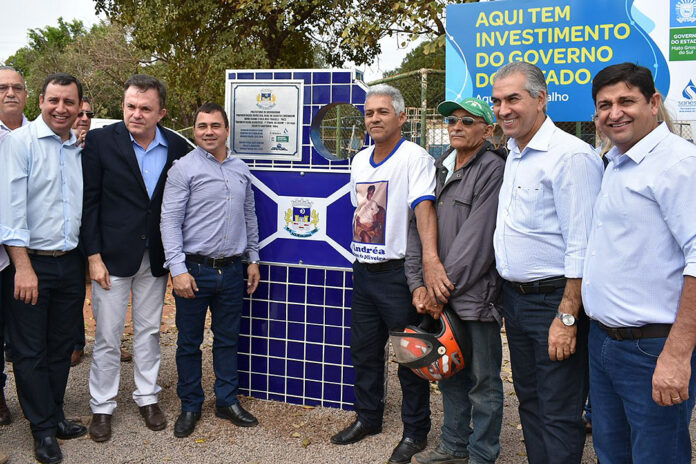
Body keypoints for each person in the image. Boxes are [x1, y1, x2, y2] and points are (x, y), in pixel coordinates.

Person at [331, 84, 452, 464]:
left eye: (383, 112)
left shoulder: (415, 158)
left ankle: (415, 431)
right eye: (369, 113)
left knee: (410, 357)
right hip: (364, 272)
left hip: (399, 275)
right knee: (364, 352)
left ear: (401, 117)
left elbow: (424, 209)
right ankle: (368, 418)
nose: (375, 119)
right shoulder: (360, 159)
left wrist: (430, 261)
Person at [583, 62, 696, 464]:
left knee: (656, 456)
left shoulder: (678, 164)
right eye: (604, 104)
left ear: (653, 102)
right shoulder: (617, 161)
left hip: (653, 347)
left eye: (626, 101)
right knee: (611, 454)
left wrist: (677, 354)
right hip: (606, 343)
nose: (615, 113)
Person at [491, 61, 603, 464]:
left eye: (513, 99)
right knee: (531, 404)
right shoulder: (515, 153)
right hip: (517, 303)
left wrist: (568, 317)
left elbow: (584, 245)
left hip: (555, 303)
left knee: (558, 412)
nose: (503, 109)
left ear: (541, 99)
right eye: (497, 100)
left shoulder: (571, 156)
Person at [80, 74, 190, 442]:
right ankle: (102, 406)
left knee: (149, 331)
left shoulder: (177, 147)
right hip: (110, 257)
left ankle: (147, 397)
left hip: (155, 256)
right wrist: (93, 256)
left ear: (161, 112)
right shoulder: (99, 141)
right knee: (108, 336)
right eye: (130, 106)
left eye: (145, 108)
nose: (136, 114)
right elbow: (89, 203)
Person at [406, 97, 506, 464]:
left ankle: (482, 453)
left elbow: (477, 242)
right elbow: (416, 228)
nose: (457, 126)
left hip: (474, 296)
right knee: (449, 373)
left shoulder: (492, 169)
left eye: (468, 120)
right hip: (440, 294)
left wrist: (438, 290)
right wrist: (418, 282)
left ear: (487, 129)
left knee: (484, 381)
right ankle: (453, 446)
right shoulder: (438, 169)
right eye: (452, 121)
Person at [0, 73, 87, 464]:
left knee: (60, 346)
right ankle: (42, 431)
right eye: (54, 100)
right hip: (30, 264)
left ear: (80, 106)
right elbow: (10, 209)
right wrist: (22, 267)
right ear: (40, 100)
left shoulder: (78, 148)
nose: (61, 108)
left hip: (70, 264)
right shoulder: (20, 143)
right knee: (30, 351)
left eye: (69, 102)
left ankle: (54, 415)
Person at [161, 102, 260, 437]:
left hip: (232, 270)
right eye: (202, 126)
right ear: (194, 130)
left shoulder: (240, 168)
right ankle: (190, 405)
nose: (208, 132)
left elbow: (249, 216)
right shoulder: (183, 169)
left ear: (227, 130)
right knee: (189, 342)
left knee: (228, 340)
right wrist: (177, 269)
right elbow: (169, 222)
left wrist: (253, 259)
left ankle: (226, 401)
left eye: (215, 126)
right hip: (194, 269)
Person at [0, 64, 29, 464]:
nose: (9, 92)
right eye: (2, 87)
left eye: (16, 87)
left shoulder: (36, 135)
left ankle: (38, 405)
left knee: (22, 334)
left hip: (22, 258)